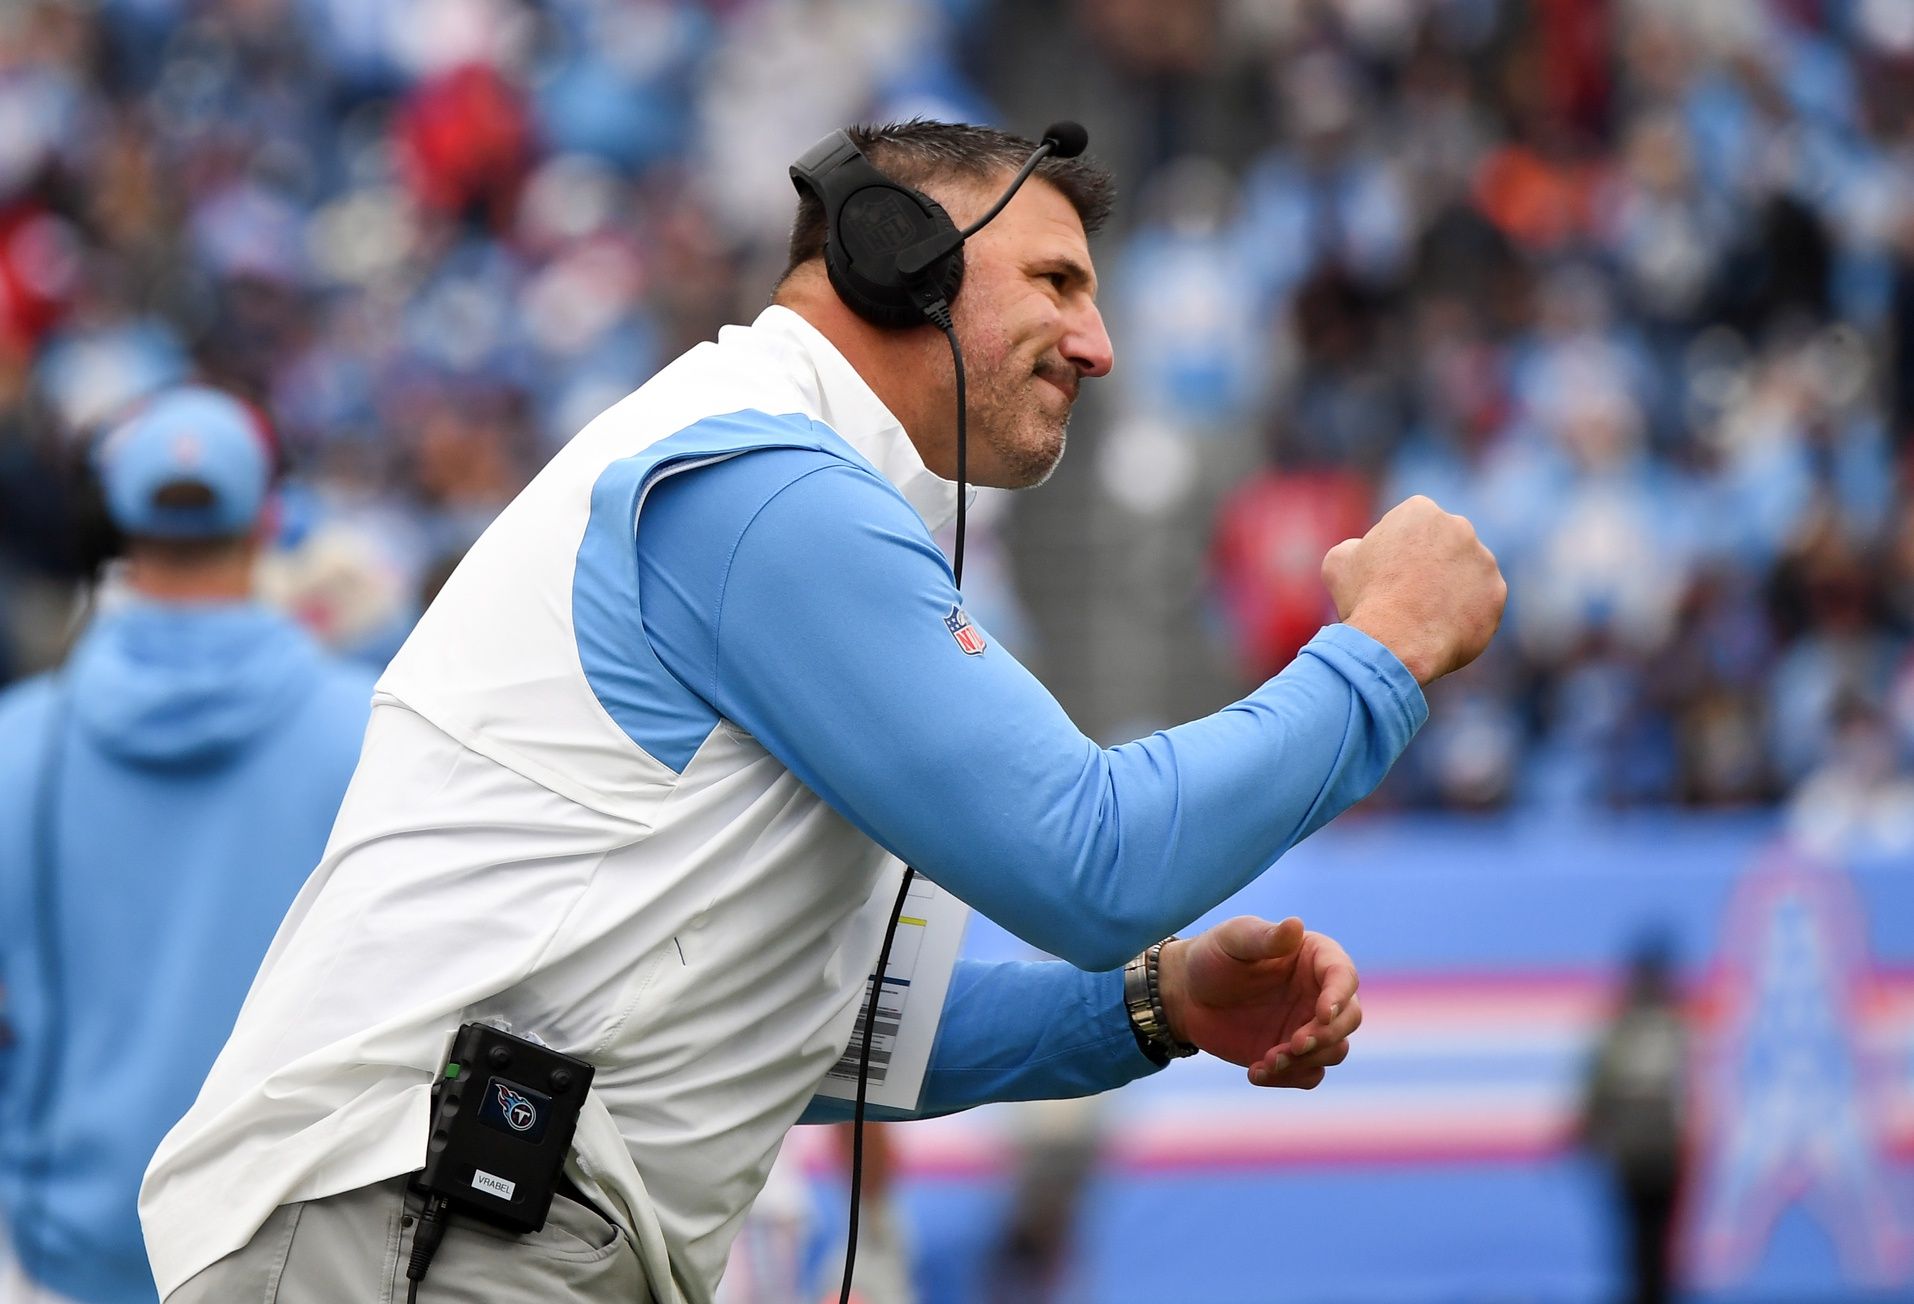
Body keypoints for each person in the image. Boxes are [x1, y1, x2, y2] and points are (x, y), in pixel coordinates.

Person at [139, 121, 1505, 1304]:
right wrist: (1379, 653)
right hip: (419, 1227)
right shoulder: (762, 487)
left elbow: (826, 1032)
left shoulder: (767, 481)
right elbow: (1095, 860)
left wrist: (1152, 1006)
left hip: (441, 1224)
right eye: (1054, 281)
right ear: (891, 252)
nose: (1097, 345)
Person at [0, 386, 377, 1303]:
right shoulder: (370, 732)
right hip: (288, 1255)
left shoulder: (21, 741)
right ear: (268, 525)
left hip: (72, 1250)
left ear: (116, 532)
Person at [1579, 938, 1691, 1304]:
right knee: (1654, 1237)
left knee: (1642, 1238)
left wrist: (1589, 1133)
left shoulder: (1625, 1028)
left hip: (1639, 1151)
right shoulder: (1675, 1025)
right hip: (1660, 1151)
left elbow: (1599, 1088)